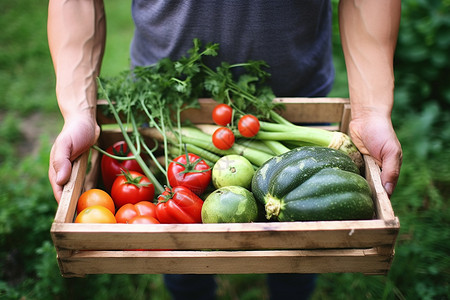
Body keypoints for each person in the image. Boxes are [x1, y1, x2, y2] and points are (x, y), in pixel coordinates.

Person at [47, 1, 402, 299]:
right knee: (183, 260)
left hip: (298, 99)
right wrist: (78, 111)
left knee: (302, 244)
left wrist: (370, 109)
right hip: (168, 97)